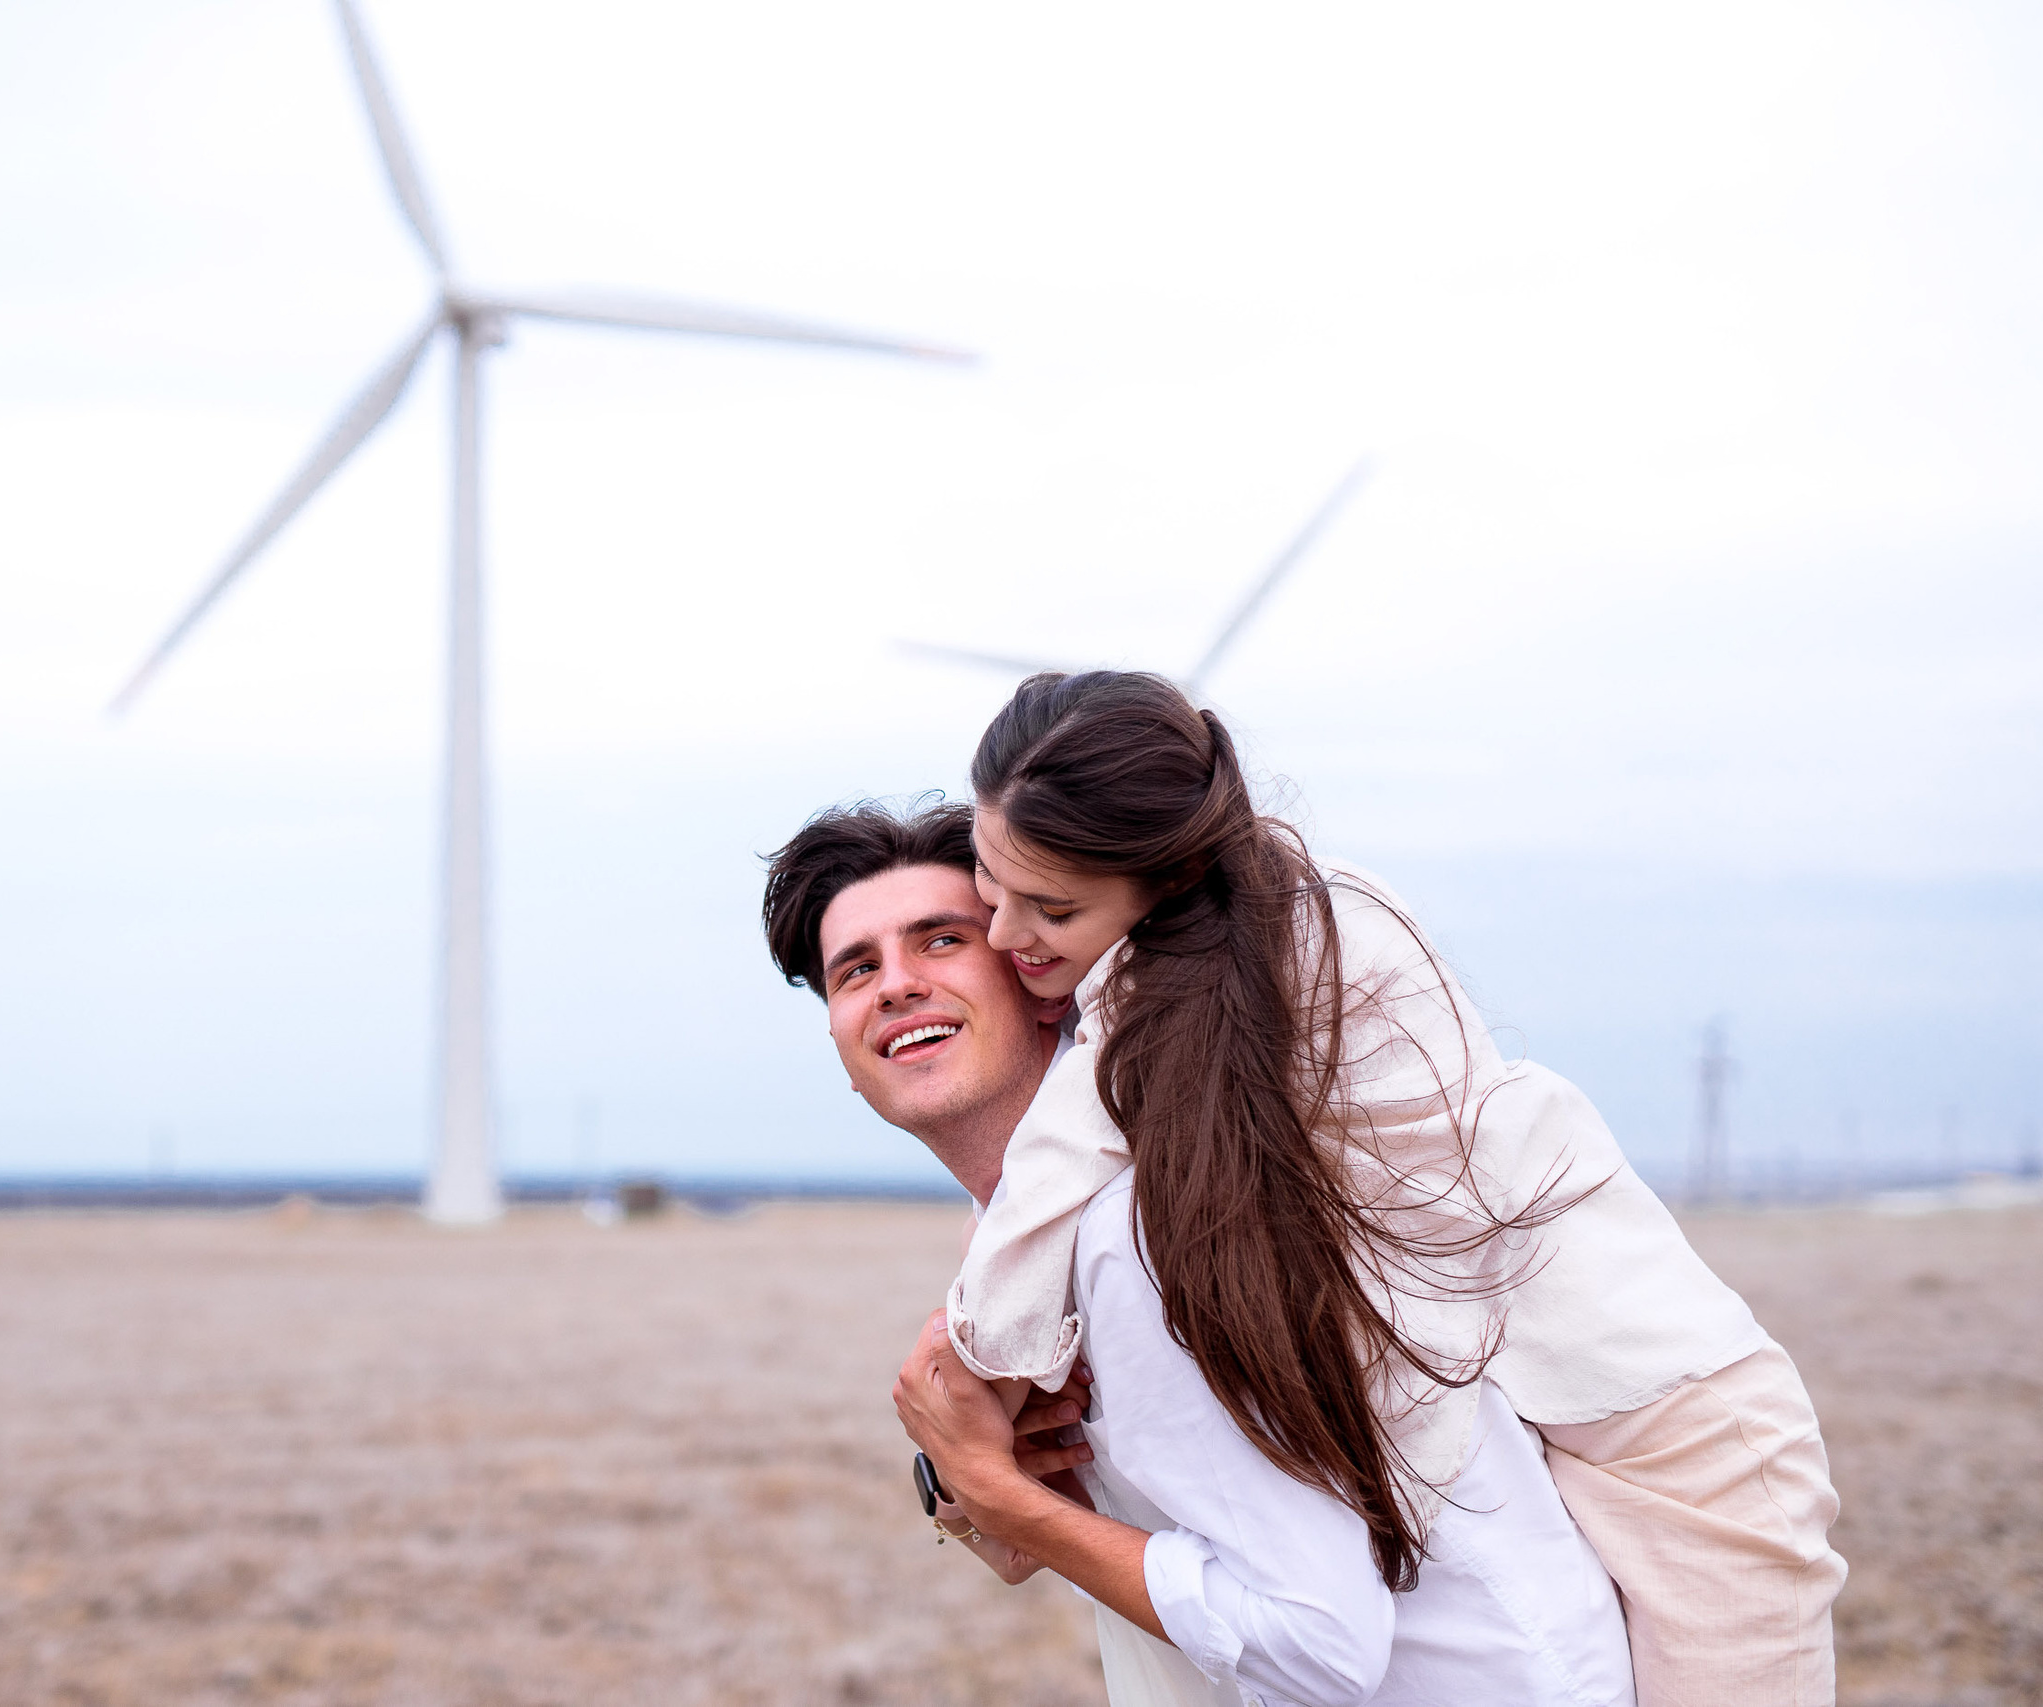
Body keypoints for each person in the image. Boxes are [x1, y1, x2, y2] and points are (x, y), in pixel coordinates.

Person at [917, 672, 1842, 1706]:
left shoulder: (1304, 935)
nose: (1004, 934)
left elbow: (1055, 1176)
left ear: (1170, 882)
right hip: (1542, 1412)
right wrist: (969, 1471)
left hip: (1679, 1440)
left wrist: (961, 1377)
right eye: (990, 890)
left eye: (1052, 908)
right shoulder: (1191, 993)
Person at [760, 798, 1636, 1705]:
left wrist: (998, 1489)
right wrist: (973, 1485)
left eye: (941, 940)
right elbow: (1113, 1540)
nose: (896, 983)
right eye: (855, 969)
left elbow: (1322, 1643)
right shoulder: (1018, 1242)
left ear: (1035, 969)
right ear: (838, 1035)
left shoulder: (1141, 1224)